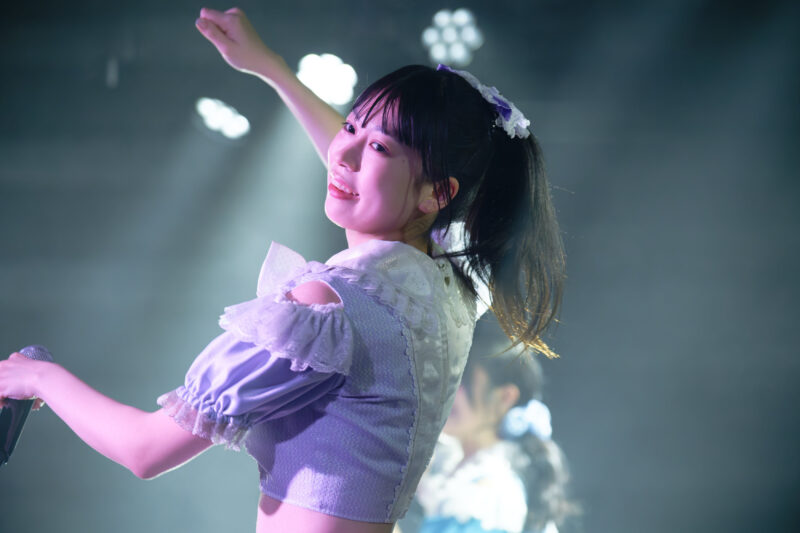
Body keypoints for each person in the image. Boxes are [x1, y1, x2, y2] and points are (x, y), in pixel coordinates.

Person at [0, 7, 565, 533]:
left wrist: (36, 377)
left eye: (379, 149)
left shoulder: (327, 307)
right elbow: (365, 173)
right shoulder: (450, 284)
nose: (343, 155)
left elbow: (144, 450)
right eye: (351, 128)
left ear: (437, 194)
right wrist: (270, 68)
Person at [398, 327, 578, 533]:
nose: (445, 390)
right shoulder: (453, 470)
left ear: (505, 398)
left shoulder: (494, 488)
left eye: (460, 378)